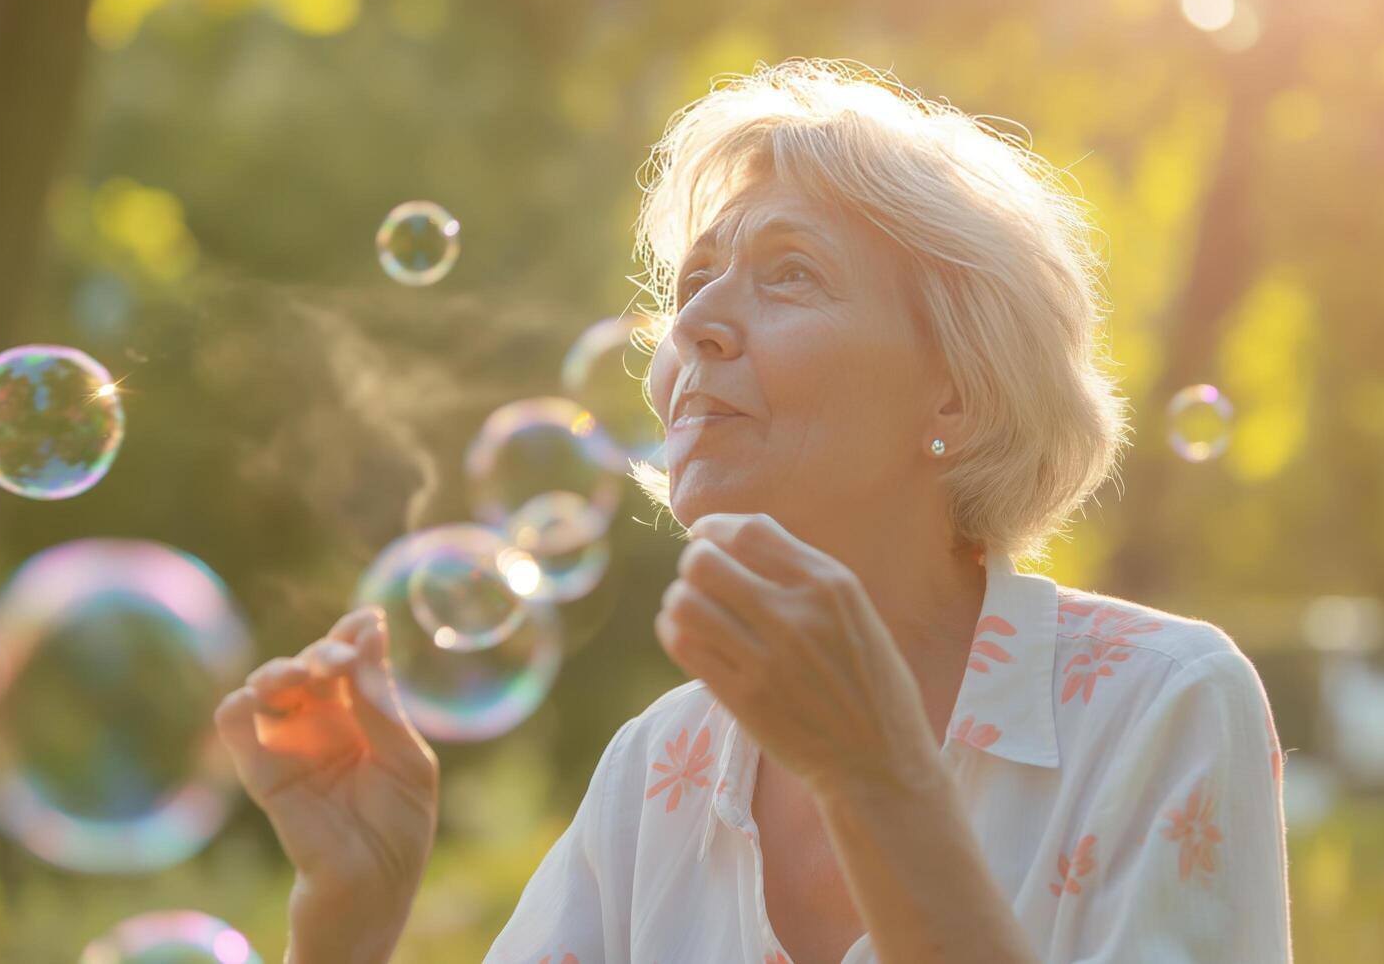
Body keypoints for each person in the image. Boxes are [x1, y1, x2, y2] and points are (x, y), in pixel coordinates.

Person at [214, 58, 1292, 964]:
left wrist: (877, 780)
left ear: (958, 391)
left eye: (789, 275)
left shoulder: (1162, 704)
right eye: (691, 288)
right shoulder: (659, 770)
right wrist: (348, 926)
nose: (699, 329)